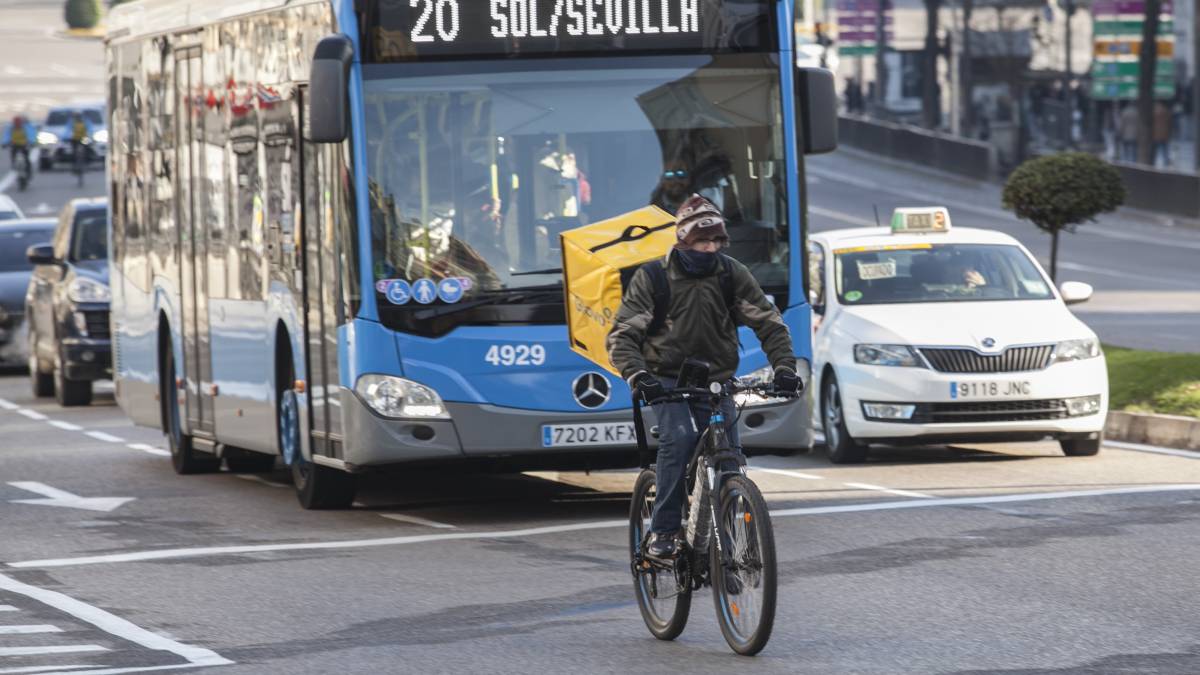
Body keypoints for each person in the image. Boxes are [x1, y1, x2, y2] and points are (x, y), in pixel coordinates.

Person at [607, 194, 801, 559]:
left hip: (715, 381)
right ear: (683, 240)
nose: (709, 248)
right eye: (701, 241)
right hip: (666, 380)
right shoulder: (653, 278)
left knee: (728, 459)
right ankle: (663, 532)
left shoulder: (730, 274)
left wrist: (785, 368)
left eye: (716, 241)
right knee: (678, 440)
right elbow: (622, 337)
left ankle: (728, 550)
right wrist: (639, 376)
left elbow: (769, 324)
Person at [1152, 101, 1171, 167]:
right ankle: (1166, 164)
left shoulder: (1153, 112)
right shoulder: (1166, 111)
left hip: (1155, 134)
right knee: (1165, 151)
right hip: (1164, 133)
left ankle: (1153, 164)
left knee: (1155, 151)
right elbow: (1169, 122)